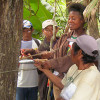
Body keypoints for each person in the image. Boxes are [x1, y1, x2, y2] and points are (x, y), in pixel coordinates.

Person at [34, 3, 86, 99]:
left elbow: (69, 59)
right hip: (58, 80)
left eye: (73, 18)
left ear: (82, 20)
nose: (70, 21)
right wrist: (35, 53)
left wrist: (50, 63)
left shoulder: (86, 39)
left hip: (75, 83)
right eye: (69, 18)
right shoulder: (65, 37)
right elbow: (53, 53)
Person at [34, 35, 100, 100]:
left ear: (79, 53)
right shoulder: (74, 67)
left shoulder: (91, 77)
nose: (70, 51)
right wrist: (44, 70)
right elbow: (63, 85)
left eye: (72, 48)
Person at [16, 20, 41, 100]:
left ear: (32, 30)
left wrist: (33, 54)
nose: (26, 34)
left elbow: (43, 57)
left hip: (33, 82)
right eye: (23, 31)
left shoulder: (38, 43)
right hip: (19, 82)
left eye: (28, 31)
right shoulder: (16, 43)